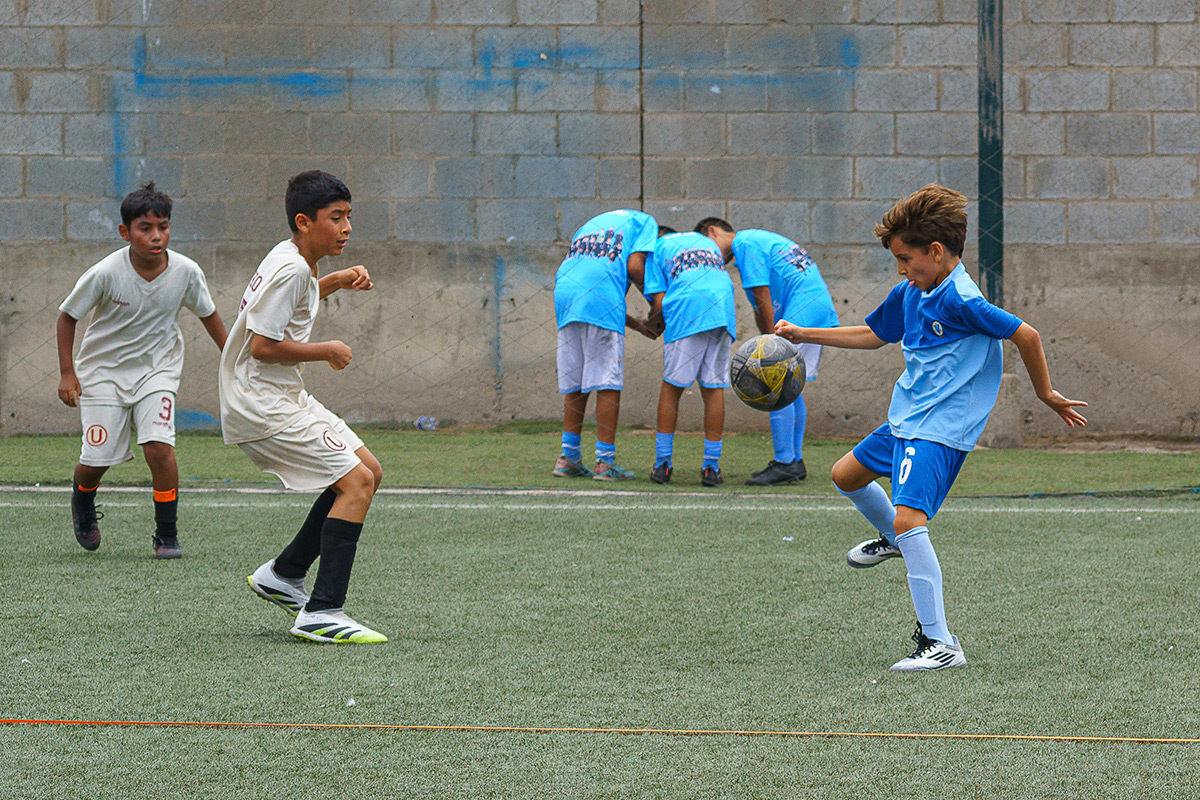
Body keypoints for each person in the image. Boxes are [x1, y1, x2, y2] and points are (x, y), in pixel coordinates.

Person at [775, 184, 1088, 671]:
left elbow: (1026, 334)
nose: (901, 269)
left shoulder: (961, 298)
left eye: (905, 259)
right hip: (908, 417)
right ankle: (896, 540)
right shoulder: (911, 292)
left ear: (936, 252)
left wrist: (1046, 394)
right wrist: (802, 333)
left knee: (910, 520)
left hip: (940, 428)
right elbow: (874, 334)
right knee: (845, 476)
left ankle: (941, 643)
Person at [221, 170, 386, 644]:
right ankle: (322, 611)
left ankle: (284, 574)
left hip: (281, 395)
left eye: (349, 216)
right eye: (336, 218)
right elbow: (262, 346)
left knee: (368, 471)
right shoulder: (293, 268)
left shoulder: (294, 257)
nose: (347, 227)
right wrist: (326, 350)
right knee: (356, 483)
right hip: (262, 404)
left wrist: (335, 280)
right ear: (304, 221)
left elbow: (294, 301)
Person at [56, 182, 227, 559]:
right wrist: (68, 373)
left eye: (163, 227)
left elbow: (209, 314)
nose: (156, 236)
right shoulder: (106, 272)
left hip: (157, 372)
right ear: (125, 232)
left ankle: (166, 534)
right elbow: (67, 316)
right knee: (97, 459)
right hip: (102, 373)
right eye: (145, 228)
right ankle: (82, 499)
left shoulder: (186, 272)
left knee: (159, 448)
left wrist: (233, 361)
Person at [696, 219, 838, 486]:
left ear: (712, 231)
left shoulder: (744, 244)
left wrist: (770, 339)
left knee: (772, 381)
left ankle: (785, 462)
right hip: (816, 306)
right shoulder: (756, 239)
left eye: (707, 246)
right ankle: (793, 461)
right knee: (790, 385)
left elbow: (761, 295)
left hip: (803, 307)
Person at [552, 209, 660, 481]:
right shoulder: (646, 222)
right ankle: (605, 461)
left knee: (575, 382)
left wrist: (638, 325)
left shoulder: (594, 224)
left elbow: (594, 288)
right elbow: (635, 267)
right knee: (607, 382)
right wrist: (657, 301)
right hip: (598, 298)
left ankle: (568, 458)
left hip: (566, 296)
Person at [642, 228, 737, 487]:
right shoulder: (705, 243)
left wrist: (652, 325)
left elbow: (659, 302)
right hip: (722, 308)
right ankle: (711, 467)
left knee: (672, 387)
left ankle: (662, 463)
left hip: (687, 309)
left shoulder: (656, 248)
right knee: (713, 388)